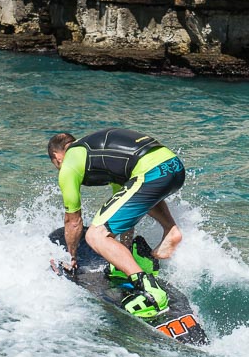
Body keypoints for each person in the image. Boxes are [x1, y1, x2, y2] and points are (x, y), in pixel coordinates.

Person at [47, 128, 185, 317]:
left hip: (151, 172)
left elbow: (73, 221)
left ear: (57, 156)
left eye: (56, 164)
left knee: (95, 235)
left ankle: (149, 291)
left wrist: (72, 258)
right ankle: (170, 230)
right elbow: (125, 214)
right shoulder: (103, 156)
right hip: (173, 167)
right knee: (137, 198)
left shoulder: (69, 164)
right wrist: (124, 248)